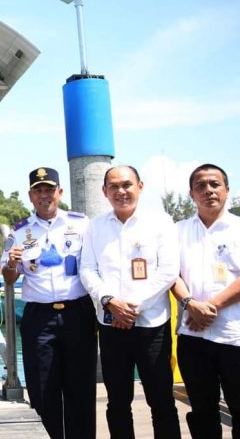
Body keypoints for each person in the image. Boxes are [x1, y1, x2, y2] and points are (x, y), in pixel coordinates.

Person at [80, 165, 181, 439]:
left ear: (140, 186)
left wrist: (131, 307)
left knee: (161, 400)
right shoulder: (95, 226)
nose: (121, 191)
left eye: (127, 185)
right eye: (113, 186)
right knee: (118, 403)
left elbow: (168, 271)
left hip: (152, 326)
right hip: (111, 325)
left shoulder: (161, 222)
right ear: (104, 191)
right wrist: (109, 301)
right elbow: (87, 269)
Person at [1, 167, 96, 438]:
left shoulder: (81, 224)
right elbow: (8, 278)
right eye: (38, 190)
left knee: (81, 390)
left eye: (49, 190)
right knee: (43, 391)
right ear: (30, 196)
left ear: (60, 192)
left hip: (77, 313)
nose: (44, 195)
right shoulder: (19, 232)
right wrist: (11, 264)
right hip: (39, 319)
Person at [171, 163, 240, 438]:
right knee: (202, 414)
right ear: (191, 193)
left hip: (234, 336)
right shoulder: (178, 231)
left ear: (227, 190)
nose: (208, 190)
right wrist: (191, 304)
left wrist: (210, 308)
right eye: (200, 186)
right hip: (193, 337)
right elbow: (170, 274)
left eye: (215, 184)